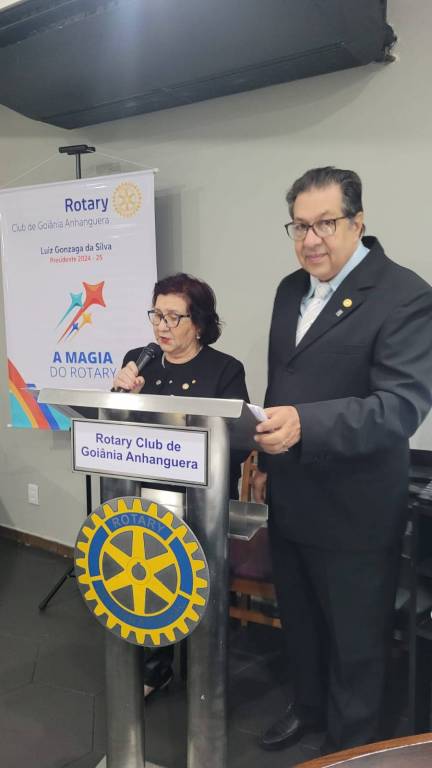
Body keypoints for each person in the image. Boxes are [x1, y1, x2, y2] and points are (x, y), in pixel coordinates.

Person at [253, 167, 432, 754]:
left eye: (325, 224)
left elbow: (399, 408)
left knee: (357, 644)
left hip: (355, 509)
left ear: (357, 222)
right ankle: (307, 708)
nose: (311, 240)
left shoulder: (405, 295)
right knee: (300, 624)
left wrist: (306, 425)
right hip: (291, 495)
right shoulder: (289, 290)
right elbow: (283, 383)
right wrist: (264, 459)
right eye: (299, 226)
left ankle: (352, 748)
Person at [113, 272, 249, 695]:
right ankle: (156, 667)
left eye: (174, 317)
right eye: (156, 315)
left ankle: (204, 670)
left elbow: (238, 444)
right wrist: (121, 397)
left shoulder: (225, 370)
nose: (162, 326)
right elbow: (115, 435)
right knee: (147, 581)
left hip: (201, 500)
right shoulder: (139, 360)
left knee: (194, 586)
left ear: (200, 323)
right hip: (144, 495)